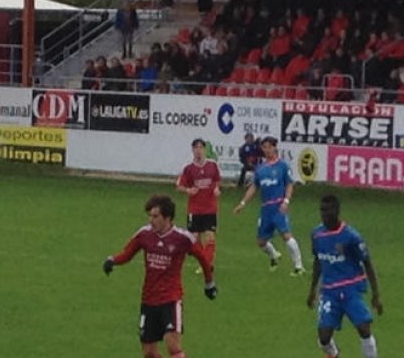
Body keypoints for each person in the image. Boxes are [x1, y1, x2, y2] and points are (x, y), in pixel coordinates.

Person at [103, 195, 217, 358]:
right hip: (148, 299)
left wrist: (209, 284)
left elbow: (203, 258)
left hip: (171, 299)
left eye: (155, 216)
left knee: (173, 346)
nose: (151, 220)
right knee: (149, 352)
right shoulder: (144, 234)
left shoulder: (182, 238)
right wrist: (113, 260)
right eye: (150, 216)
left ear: (167, 217)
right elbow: (128, 253)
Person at [307, 195, 384, 358]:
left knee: (364, 328)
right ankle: (334, 354)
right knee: (324, 338)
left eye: (327, 211)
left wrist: (376, 294)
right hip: (329, 292)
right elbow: (318, 261)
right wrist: (312, 290)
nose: (323, 214)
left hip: (350, 290)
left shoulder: (351, 237)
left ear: (336, 211)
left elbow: (367, 263)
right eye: (321, 210)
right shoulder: (317, 235)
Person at [233, 136, 305, 275]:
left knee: (286, 235)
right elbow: (254, 187)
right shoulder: (260, 169)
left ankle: (298, 266)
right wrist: (242, 203)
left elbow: (289, 184)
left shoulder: (282, 166)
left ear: (274, 148)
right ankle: (274, 256)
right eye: (264, 147)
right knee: (261, 242)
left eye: (269, 147)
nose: (267, 150)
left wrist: (286, 201)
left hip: (278, 206)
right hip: (266, 209)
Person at [177, 139, 222, 271]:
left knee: (209, 236)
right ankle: (204, 259)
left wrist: (216, 188)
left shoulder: (212, 165)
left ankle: (206, 264)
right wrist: (188, 190)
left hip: (210, 208)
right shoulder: (188, 168)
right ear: (192, 150)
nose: (198, 150)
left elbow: (217, 180)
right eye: (196, 148)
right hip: (194, 209)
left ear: (204, 149)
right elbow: (179, 186)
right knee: (193, 239)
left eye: (201, 147)